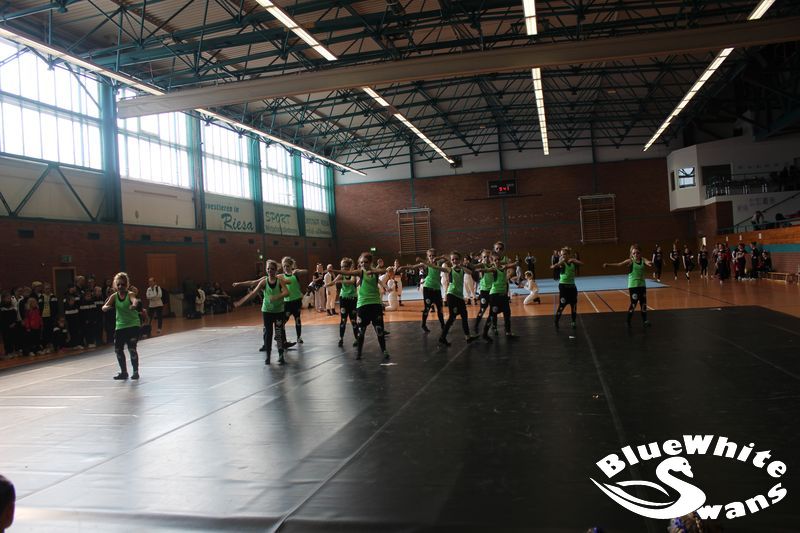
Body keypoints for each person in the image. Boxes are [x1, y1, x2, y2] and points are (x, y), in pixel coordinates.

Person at [329, 253, 390, 361]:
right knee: (361, 330)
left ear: (370, 262)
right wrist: (334, 270)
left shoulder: (375, 272)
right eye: (361, 262)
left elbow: (385, 271)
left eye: (365, 262)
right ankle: (359, 352)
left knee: (379, 329)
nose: (363, 264)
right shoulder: (360, 272)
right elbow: (347, 272)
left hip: (375, 304)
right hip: (362, 305)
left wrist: (386, 286)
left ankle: (384, 350)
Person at [235, 260, 289, 365]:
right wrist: (242, 301)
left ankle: (281, 355)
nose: (270, 271)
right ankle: (268, 356)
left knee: (279, 333)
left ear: (276, 270)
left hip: (278, 311)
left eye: (272, 269)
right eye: (268, 269)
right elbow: (253, 293)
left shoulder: (279, 281)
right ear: (266, 270)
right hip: (267, 311)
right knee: (268, 333)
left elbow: (286, 292)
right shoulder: (264, 282)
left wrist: (277, 297)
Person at [102, 272, 143, 380]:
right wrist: (106, 308)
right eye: (118, 284)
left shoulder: (130, 294)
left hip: (133, 325)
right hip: (120, 326)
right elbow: (104, 306)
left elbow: (135, 300)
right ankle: (124, 372)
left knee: (131, 348)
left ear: (127, 284)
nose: (120, 286)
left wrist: (134, 305)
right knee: (118, 349)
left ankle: (135, 372)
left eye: (123, 284)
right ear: (116, 285)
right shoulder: (114, 296)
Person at [437, 251, 480, 346]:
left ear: (459, 260)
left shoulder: (462, 269)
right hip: (452, 295)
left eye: (456, 259)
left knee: (464, 315)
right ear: (451, 261)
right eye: (453, 259)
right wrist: (428, 263)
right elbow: (438, 268)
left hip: (460, 296)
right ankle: (442, 337)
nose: (454, 261)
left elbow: (470, 272)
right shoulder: (449, 269)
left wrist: (461, 266)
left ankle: (467, 337)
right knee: (452, 317)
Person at [604, 244, 653, 327]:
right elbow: (619, 264)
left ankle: (645, 320)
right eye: (634, 253)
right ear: (631, 254)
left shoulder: (643, 259)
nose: (636, 255)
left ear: (640, 253)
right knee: (634, 304)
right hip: (633, 286)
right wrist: (608, 264)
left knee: (643, 303)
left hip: (642, 285)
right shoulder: (630, 261)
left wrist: (649, 263)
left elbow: (647, 262)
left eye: (637, 253)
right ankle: (628, 320)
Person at [403, 248, 446, 334]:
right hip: (427, 288)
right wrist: (402, 267)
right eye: (430, 256)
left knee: (440, 308)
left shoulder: (439, 263)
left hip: (437, 289)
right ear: (427, 257)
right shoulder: (426, 264)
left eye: (433, 255)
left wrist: (439, 258)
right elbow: (413, 267)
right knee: (427, 307)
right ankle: (423, 324)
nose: (431, 257)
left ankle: (443, 325)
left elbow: (446, 258)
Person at [326, 257, 359, 347]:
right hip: (343, 299)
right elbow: (334, 281)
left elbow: (351, 281)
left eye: (344, 266)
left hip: (352, 299)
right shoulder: (341, 274)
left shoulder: (352, 274)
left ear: (348, 267)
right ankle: (341, 338)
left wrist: (340, 281)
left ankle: (357, 339)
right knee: (343, 320)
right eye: (341, 266)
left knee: (353, 320)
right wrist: (326, 285)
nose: (342, 268)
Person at [551, 246, 583, 329]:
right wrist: (559, 262)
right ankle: (556, 321)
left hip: (572, 287)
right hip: (563, 287)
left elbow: (581, 263)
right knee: (562, 304)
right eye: (561, 254)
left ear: (569, 254)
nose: (563, 256)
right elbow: (553, 266)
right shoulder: (562, 263)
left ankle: (573, 322)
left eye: (564, 254)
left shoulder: (572, 262)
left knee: (574, 305)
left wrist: (573, 260)